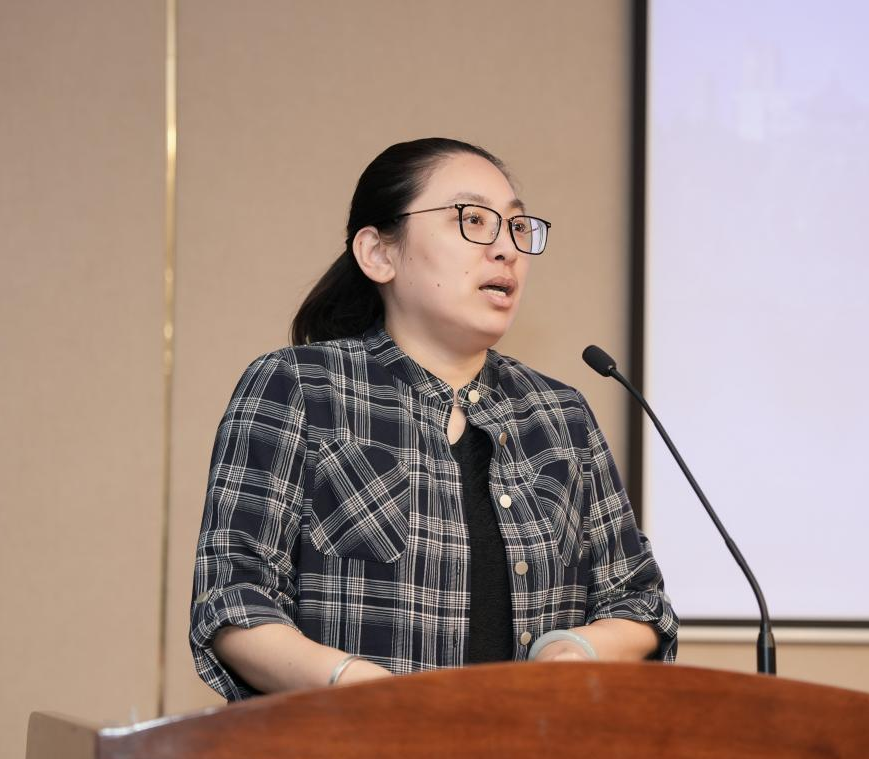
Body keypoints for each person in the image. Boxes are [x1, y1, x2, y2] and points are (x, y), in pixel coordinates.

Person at [190, 138, 678, 700]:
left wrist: (577, 649)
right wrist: (361, 690)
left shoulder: (560, 415)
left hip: (532, 751)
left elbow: (639, 601)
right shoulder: (300, 387)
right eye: (473, 220)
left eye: (517, 227)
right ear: (379, 254)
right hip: (348, 749)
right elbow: (234, 598)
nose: (506, 249)